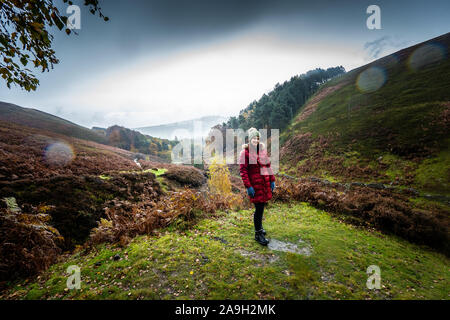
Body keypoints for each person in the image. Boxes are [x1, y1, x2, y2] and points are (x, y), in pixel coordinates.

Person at [239, 127, 276, 246]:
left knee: (261, 207)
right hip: (255, 185)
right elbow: (243, 171)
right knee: (258, 209)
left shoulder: (262, 150)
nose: (256, 140)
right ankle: (258, 234)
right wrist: (248, 186)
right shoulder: (245, 153)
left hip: (264, 184)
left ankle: (260, 228)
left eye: (258, 138)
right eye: (254, 138)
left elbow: (268, 166)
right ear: (250, 140)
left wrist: (272, 180)